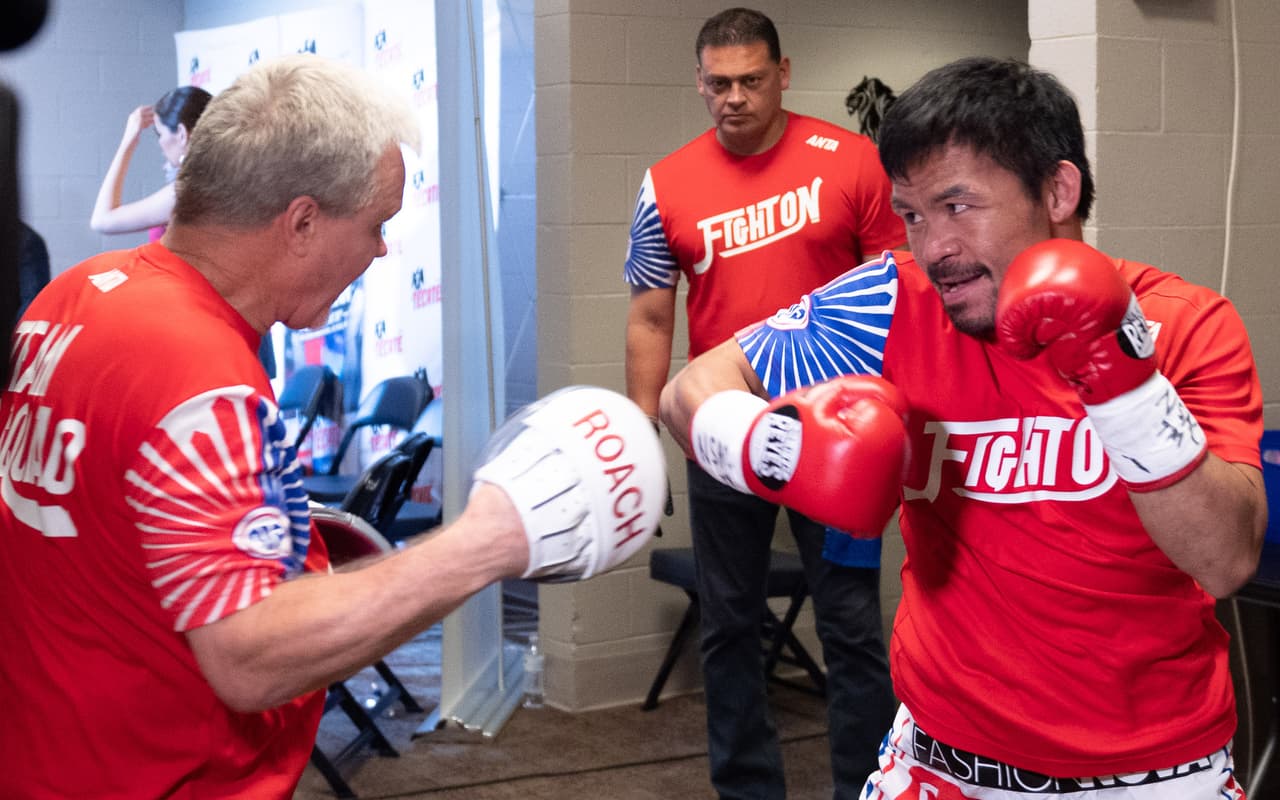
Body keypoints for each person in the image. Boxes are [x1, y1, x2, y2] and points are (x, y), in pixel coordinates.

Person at [0, 54, 666, 800]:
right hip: (166, 777)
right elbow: (248, 658)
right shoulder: (196, 370)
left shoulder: (76, 293)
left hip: (52, 755)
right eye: (377, 224)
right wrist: (492, 539)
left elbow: (111, 513)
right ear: (303, 222)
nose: (383, 250)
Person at [660, 55, 1264, 800]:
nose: (932, 246)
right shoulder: (888, 300)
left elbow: (1227, 559)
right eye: (912, 214)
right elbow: (688, 391)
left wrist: (1124, 385)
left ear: (1057, 190)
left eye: (957, 206)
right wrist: (769, 445)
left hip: (1153, 772)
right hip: (940, 763)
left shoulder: (1184, 324)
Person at [624, 8, 905, 798]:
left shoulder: (854, 163)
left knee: (850, 624)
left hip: (840, 436)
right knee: (728, 625)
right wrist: (646, 431)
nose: (735, 98)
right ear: (699, 81)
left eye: (751, 80)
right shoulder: (665, 183)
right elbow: (651, 314)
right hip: (720, 431)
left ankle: (868, 786)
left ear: (783, 73)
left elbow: (900, 293)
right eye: (719, 83)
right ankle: (747, 789)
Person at [90, 85, 212, 240]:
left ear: (181, 134)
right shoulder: (222, 181)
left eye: (160, 134)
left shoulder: (188, 193)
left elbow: (101, 220)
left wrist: (128, 141)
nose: (160, 143)